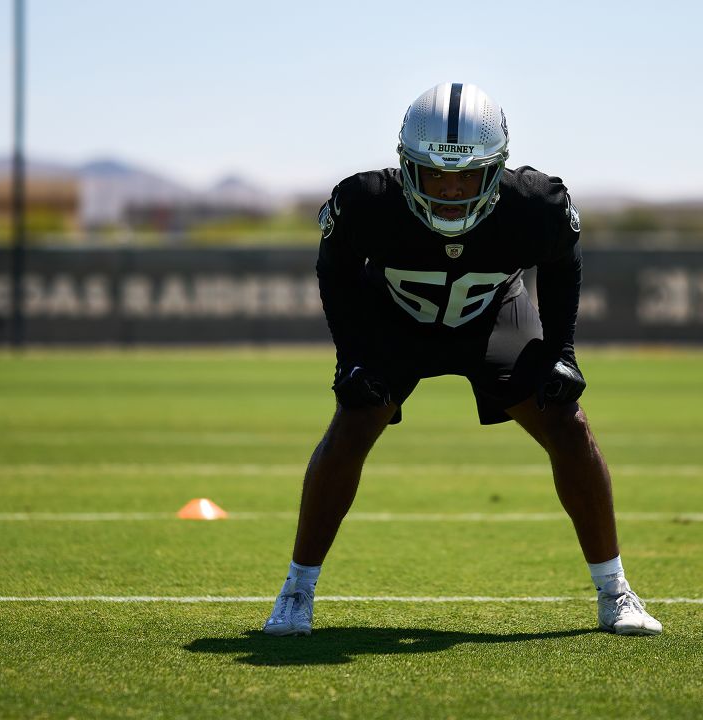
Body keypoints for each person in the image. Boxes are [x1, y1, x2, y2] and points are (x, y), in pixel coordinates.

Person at [263, 82, 662, 637]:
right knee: (353, 424)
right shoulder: (366, 203)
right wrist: (350, 359)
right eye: (436, 175)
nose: (450, 190)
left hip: (492, 317)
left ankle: (615, 591)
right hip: (396, 321)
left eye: (466, 175)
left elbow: (563, 259)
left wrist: (562, 353)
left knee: (568, 424)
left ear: (496, 171)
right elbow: (334, 270)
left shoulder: (535, 204)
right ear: (407, 169)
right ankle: (296, 591)